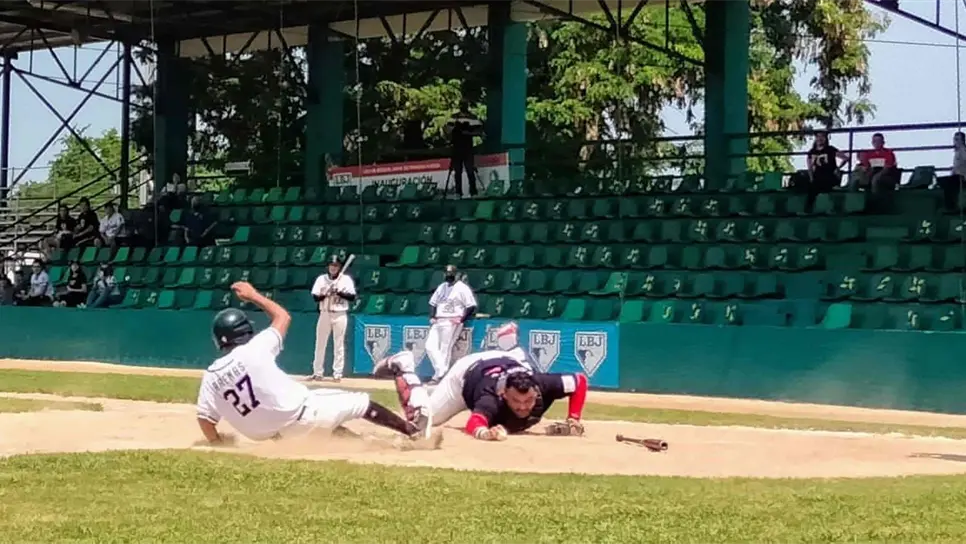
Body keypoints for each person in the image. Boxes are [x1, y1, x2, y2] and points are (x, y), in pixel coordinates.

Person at [194, 281, 435, 446]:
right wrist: (254, 295)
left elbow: (205, 420)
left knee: (336, 435)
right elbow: (282, 316)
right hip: (307, 411)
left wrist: (217, 443)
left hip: (282, 437)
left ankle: (369, 445)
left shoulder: (211, 376)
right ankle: (413, 434)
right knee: (362, 402)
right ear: (245, 330)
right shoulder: (254, 348)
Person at [374, 322, 588, 441]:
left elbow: (579, 381)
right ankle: (405, 366)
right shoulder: (491, 399)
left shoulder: (542, 384)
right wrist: (486, 433)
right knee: (419, 424)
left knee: (524, 366)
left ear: (536, 391)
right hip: (466, 374)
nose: (523, 407)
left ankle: (510, 344)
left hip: (508, 362)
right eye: (517, 401)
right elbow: (474, 422)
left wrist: (573, 419)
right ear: (504, 395)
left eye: (528, 401)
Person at [425, 264, 477, 385]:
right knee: (429, 346)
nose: (449, 276)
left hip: (452, 320)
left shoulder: (462, 288)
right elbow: (432, 303)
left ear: (456, 275)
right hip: (439, 319)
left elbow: (471, 306)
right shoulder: (442, 287)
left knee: (445, 348)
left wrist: (462, 319)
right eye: (447, 274)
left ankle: (438, 376)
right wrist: (432, 316)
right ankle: (442, 371)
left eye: (451, 274)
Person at [309, 256, 356, 382]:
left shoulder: (345, 280)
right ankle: (317, 372)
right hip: (324, 313)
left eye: (335, 265)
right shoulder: (321, 279)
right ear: (328, 267)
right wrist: (326, 293)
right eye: (331, 265)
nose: (333, 267)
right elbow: (315, 297)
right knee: (320, 344)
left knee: (339, 344)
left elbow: (352, 297)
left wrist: (339, 292)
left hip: (340, 313)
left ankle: (337, 374)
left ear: (339, 267)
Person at [444, 100, 483, 198]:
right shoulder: (454, 117)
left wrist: (467, 132)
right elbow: (447, 131)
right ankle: (458, 192)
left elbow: (479, 131)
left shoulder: (472, 117)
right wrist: (454, 129)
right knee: (458, 171)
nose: (463, 106)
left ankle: (473, 192)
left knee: (470, 170)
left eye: (465, 104)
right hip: (456, 147)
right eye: (461, 104)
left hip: (468, 148)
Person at [803, 131, 848, 212]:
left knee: (821, 186)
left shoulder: (830, 149)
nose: (820, 138)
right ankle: (808, 210)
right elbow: (809, 167)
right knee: (810, 187)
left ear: (825, 139)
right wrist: (811, 178)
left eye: (822, 137)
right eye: (818, 136)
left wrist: (838, 168)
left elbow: (845, 158)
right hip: (817, 177)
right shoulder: (811, 152)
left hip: (829, 176)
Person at [938, 132, 966, 212]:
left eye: (957, 139)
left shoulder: (963, 150)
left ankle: (951, 206)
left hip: (962, 177)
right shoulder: (957, 152)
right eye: (955, 139)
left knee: (946, 183)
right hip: (957, 176)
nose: (955, 141)